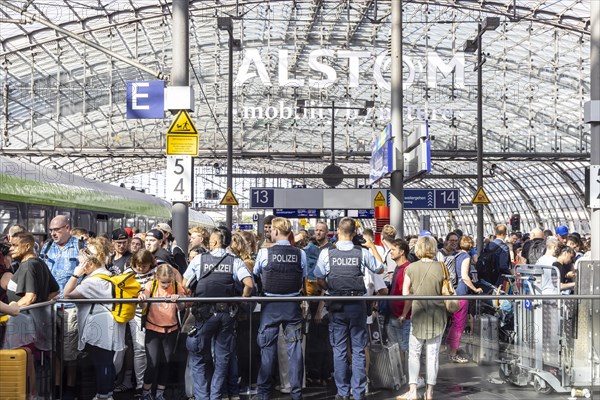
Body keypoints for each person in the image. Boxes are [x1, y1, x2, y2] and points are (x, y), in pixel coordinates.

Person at [314, 217, 384, 400]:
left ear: (337, 231)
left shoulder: (326, 253)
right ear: (354, 234)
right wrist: (372, 246)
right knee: (359, 350)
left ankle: (342, 392)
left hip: (336, 305)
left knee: (339, 350)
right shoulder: (362, 252)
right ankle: (358, 393)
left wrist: (329, 289)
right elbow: (380, 269)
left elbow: (318, 278)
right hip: (357, 305)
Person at [183, 227, 253, 400]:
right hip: (226, 316)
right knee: (222, 359)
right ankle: (216, 396)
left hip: (204, 315)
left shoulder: (200, 259)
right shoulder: (234, 261)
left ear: (213, 242)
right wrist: (242, 299)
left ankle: (201, 396)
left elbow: (184, 284)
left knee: (197, 353)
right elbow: (249, 284)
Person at [63, 238, 127, 400]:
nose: (79, 263)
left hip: (100, 327)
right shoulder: (107, 275)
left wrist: (76, 274)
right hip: (109, 324)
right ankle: (106, 393)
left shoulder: (93, 282)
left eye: (81, 261)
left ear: (89, 263)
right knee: (106, 361)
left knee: (102, 363)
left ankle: (104, 395)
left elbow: (67, 294)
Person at [252, 217, 307, 400]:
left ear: (275, 231)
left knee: (267, 351)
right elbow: (304, 276)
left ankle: (263, 394)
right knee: (295, 352)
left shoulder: (264, 253)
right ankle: (296, 393)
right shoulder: (300, 254)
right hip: (292, 307)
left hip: (270, 307)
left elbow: (256, 274)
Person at [398, 236, 447, 400]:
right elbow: (446, 291)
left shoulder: (411, 268)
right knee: (432, 355)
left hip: (418, 314)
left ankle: (412, 391)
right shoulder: (442, 267)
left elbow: (405, 294)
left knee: (414, 353)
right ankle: (430, 393)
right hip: (438, 315)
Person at [138, 264, 186, 400]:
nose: (165, 285)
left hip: (171, 329)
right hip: (153, 328)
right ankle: (146, 392)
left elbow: (182, 307)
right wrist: (142, 298)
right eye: (163, 282)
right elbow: (144, 300)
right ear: (157, 278)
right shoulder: (150, 285)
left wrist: (178, 300)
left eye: (168, 282)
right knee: (152, 363)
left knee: (166, 362)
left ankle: (160, 393)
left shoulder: (177, 286)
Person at [446, 235, 482, 363]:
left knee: (455, 323)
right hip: (462, 292)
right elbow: (465, 277)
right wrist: (475, 288)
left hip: (455, 291)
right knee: (459, 324)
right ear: (470, 245)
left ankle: (450, 350)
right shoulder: (466, 257)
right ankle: (454, 353)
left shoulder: (457, 255)